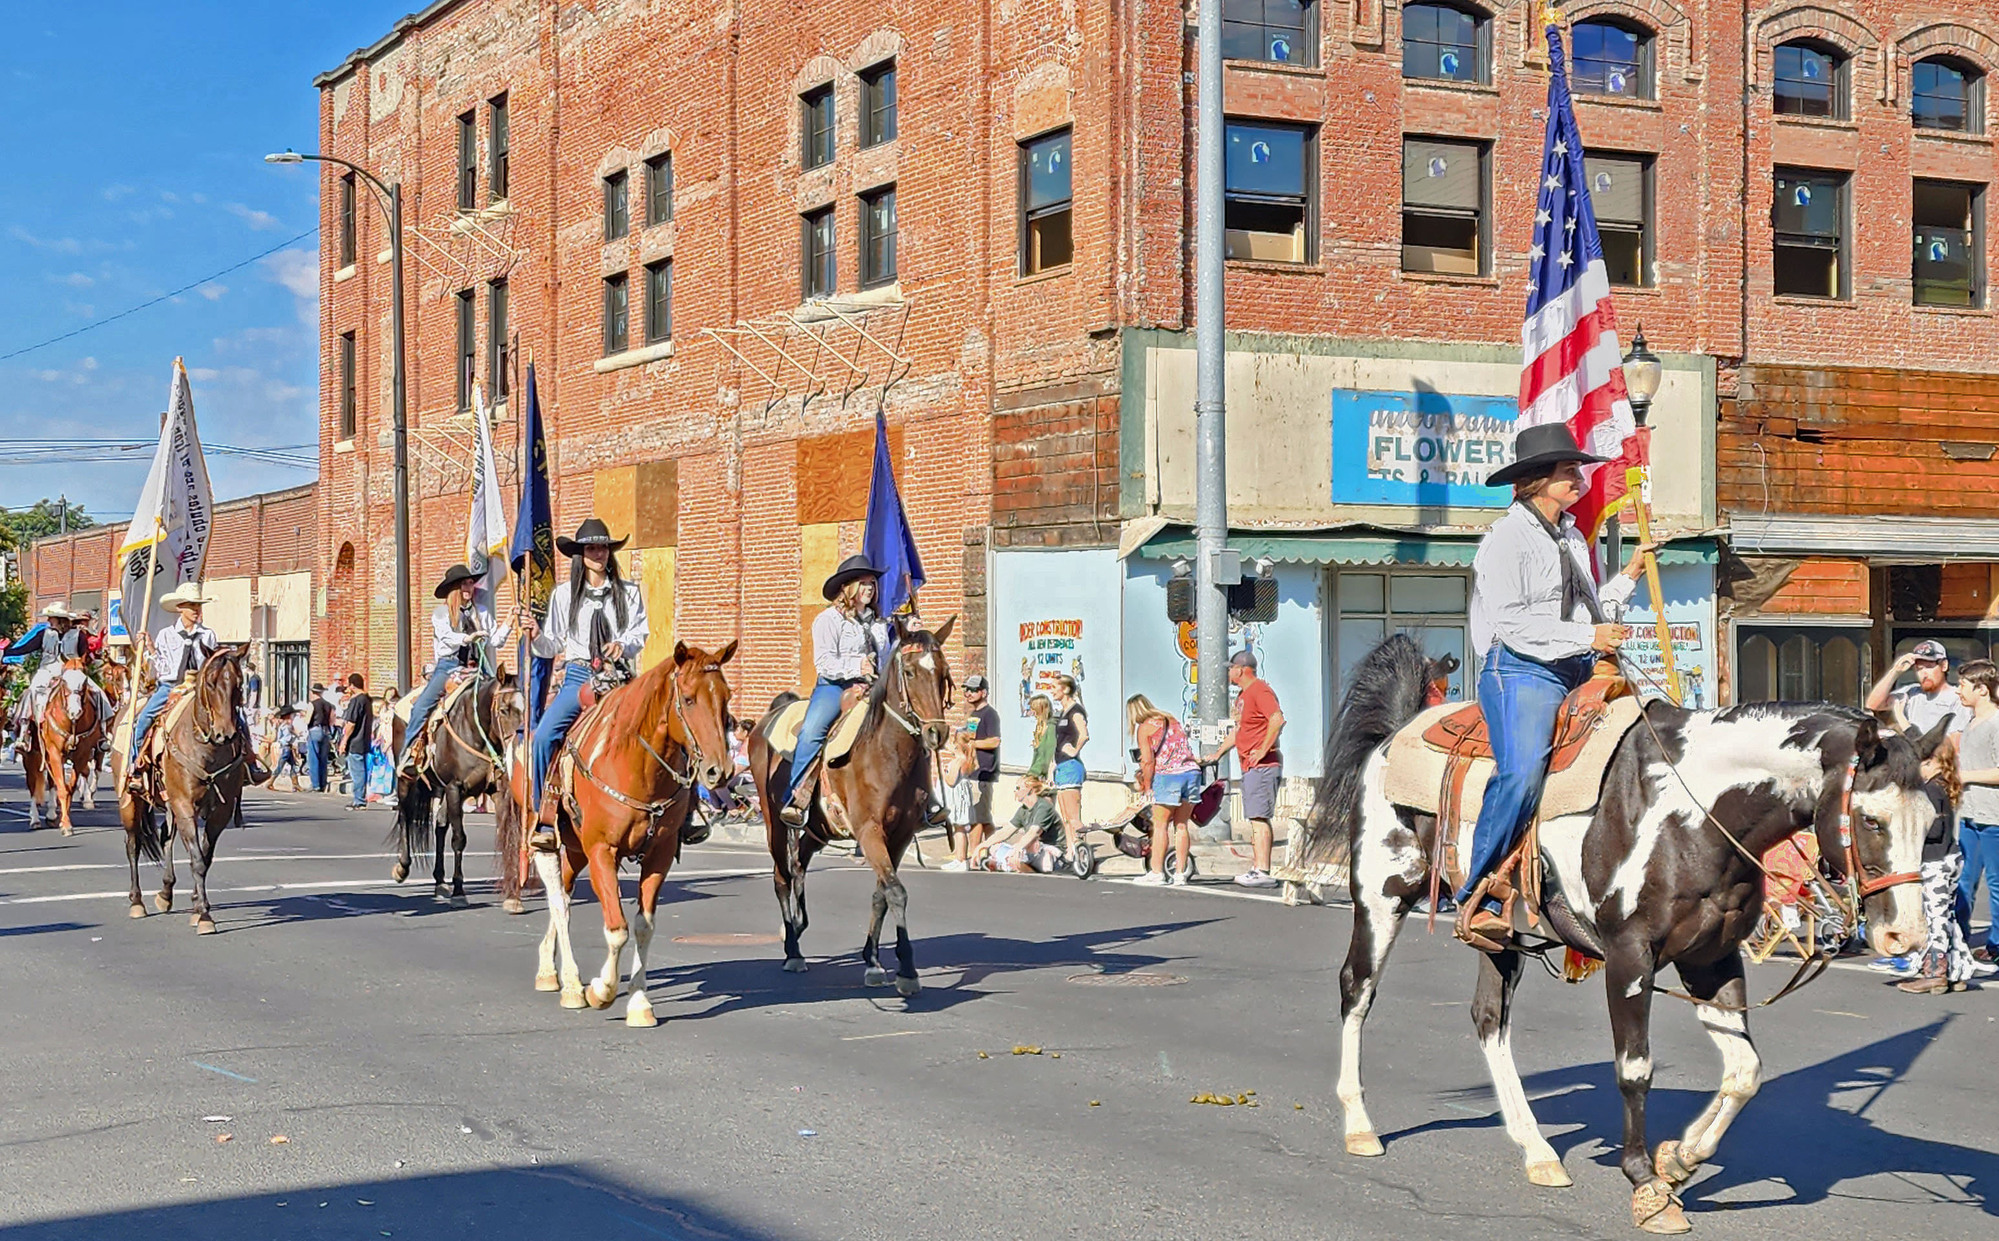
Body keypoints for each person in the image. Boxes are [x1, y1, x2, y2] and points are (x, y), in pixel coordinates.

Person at [1456, 423, 1649, 949]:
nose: (1579, 478)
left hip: (1575, 665)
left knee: (1644, 743)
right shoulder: (1504, 538)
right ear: (1536, 480)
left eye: (1579, 469)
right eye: (1569, 471)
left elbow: (1589, 613)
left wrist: (1629, 575)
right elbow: (1513, 623)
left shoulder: (1571, 538)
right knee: (1520, 773)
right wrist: (1590, 633)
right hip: (1519, 669)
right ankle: (1480, 894)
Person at [521, 519, 649, 840]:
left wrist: (624, 644)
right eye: (591, 548)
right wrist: (535, 635)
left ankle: (678, 811)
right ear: (580, 554)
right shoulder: (564, 595)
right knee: (544, 736)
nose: (599, 553)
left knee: (663, 727)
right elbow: (551, 643)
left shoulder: (628, 591)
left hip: (618, 677)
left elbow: (639, 632)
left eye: (603, 547)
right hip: (578, 676)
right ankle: (544, 814)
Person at [777, 554, 891, 828]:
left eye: (872, 584)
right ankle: (797, 797)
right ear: (848, 587)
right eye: (864, 583)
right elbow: (824, 662)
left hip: (873, 687)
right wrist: (857, 666)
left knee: (906, 723)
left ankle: (921, 800)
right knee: (813, 730)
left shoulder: (878, 623)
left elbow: (885, 657)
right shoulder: (828, 620)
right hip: (836, 686)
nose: (869, 589)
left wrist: (906, 635)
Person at [402, 563, 511, 762]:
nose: (469, 587)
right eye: (464, 584)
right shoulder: (442, 613)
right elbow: (447, 637)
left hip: (475, 667)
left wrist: (508, 624)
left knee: (501, 697)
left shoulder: (481, 612)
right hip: (448, 666)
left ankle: (501, 752)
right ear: (454, 588)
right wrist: (467, 638)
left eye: (471, 583)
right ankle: (408, 754)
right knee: (420, 708)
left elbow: (495, 640)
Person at [1898, 727, 1978, 993]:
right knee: (1947, 916)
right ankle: (1957, 970)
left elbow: (1935, 830)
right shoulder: (1943, 786)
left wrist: (1911, 829)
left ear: (1931, 762)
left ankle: (1935, 971)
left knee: (1935, 918)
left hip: (1935, 862)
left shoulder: (1931, 791)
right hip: (1949, 858)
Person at [1205, 650, 1285, 889]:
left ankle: (1263, 870)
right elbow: (1239, 731)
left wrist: (1262, 750)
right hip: (1250, 766)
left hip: (1262, 765)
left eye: (1231, 668)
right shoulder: (1242, 695)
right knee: (1254, 818)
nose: (1229, 672)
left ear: (1241, 669)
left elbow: (1277, 719)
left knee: (1259, 818)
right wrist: (1218, 753)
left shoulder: (1260, 690)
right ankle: (1257, 867)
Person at [1125, 695, 1202, 887]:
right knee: (1182, 825)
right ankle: (1180, 874)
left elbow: (1148, 761)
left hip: (1168, 776)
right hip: (1191, 773)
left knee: (1160, 825)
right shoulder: (1171, 719)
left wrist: (1148, 786)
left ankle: (1157, 872)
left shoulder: (1145, 728)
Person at [1951, 658, 1999, 966]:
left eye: (1963, 686)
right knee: (1964, 880)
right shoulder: (1970, 723)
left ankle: (1996, 946)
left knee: (1996, 884)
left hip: (1994, 817)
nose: (1958, 691)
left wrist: (1965, 776)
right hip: (1969, 815)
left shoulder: (1996, 723)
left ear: (1982, 689)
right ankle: (1959, 940)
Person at [1867, 640, 1969, 737]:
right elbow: (1874, 704)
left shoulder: (1958, 698)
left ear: (1944, 665)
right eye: (1919, 669)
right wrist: (1895, 671)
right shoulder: (1912, 693)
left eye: (1929, 667)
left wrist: (1901, 718)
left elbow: (1953, 744)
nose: (1924, 674)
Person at [973, 776, 1065, 873]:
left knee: (1032, 845)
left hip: (1051, 850)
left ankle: (1009, 864)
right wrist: (982, 845)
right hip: (1030, 851)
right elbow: (1006, 831)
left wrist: (1018, 848)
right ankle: (1015, 864)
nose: (1015, 791)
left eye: (1018, 788)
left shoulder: (1044, 807)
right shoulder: (1023, 810)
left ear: (1029, 790)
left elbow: (1034, 832)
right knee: (994, 847)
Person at [1049, 675, 1089, 860]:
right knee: (1065, 816)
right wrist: (1052, 768)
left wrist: (1074, 750)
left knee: (1073, 815)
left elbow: (1084, 734)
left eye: (1055, 687)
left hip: (1071, 767)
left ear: (1065, 689)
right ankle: (1071, 851)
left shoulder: (1076, 710)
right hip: (1061, 767)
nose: (1052, 690)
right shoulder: (1062, 712)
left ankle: (1082, 850)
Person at [962, 673, 1002, 854]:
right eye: (967, 690)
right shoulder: (974, 714)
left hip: (984, 772)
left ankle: (974, 853)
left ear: (984, 692)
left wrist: (974, 744)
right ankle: (996, 852)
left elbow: (995, 741)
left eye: (973, 690)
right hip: (972, 772)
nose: (968, 693)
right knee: (984, 819)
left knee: (977, 817)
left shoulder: (990, 714)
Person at [937, 730, 978, 871]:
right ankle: (959, 858)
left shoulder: (958, 762)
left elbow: (950, 781)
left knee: (959, 829)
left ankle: (961, 860)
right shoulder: (968, 759)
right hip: (962, 794)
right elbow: (950, 747)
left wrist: (943, 772)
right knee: (959, 828)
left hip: (956, 797)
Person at [337, 672, 374, 810]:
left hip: (355, 741)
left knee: (357, 772)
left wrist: (344, 740)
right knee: (362, 770)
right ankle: (360, 798)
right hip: (364, 740)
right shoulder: (368, 700)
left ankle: (359, 800)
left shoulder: (356, 700)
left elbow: (351, 723)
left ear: (352, 685)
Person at [266, 706, 305, 792]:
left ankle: (295, 784)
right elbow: (287, 738)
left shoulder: (283, 725)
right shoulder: (287, 726)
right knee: (280, 766)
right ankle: (270, 782)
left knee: (294, 765)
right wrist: (295, 735)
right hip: (286, 748)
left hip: (287, 748)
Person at [305, 684, 332, 792]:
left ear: (312, 692)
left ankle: (315, 784)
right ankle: (323, 782)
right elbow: (331, 720)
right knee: (323, 758)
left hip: (315, 730)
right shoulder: (328, 705)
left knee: (313, 758)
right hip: (326, 730)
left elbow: (307, 720)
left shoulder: (312, 704)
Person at [1025, 693, 1056, 782]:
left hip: (1044, 777)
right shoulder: (1041, 726)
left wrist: (1032, 774)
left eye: (1033, 709)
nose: (1032, 712)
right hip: (1037, 775)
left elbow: (1046, 756)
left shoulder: (1050, 728)